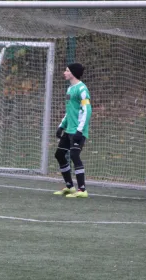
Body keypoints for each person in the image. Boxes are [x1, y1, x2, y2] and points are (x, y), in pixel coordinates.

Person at [53, 63, 92, 198]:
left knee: (75, 156)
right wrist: (61, 126)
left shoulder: (82, 89)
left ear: (73, 73)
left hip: (78, 131)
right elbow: (70, 111)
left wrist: (80, 131)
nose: (64, 72)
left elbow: (87, 110)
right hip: (69, 130)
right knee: (59, 155)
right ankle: (70, 187)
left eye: (67, 70)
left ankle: (82, 190)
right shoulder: (70, 89)